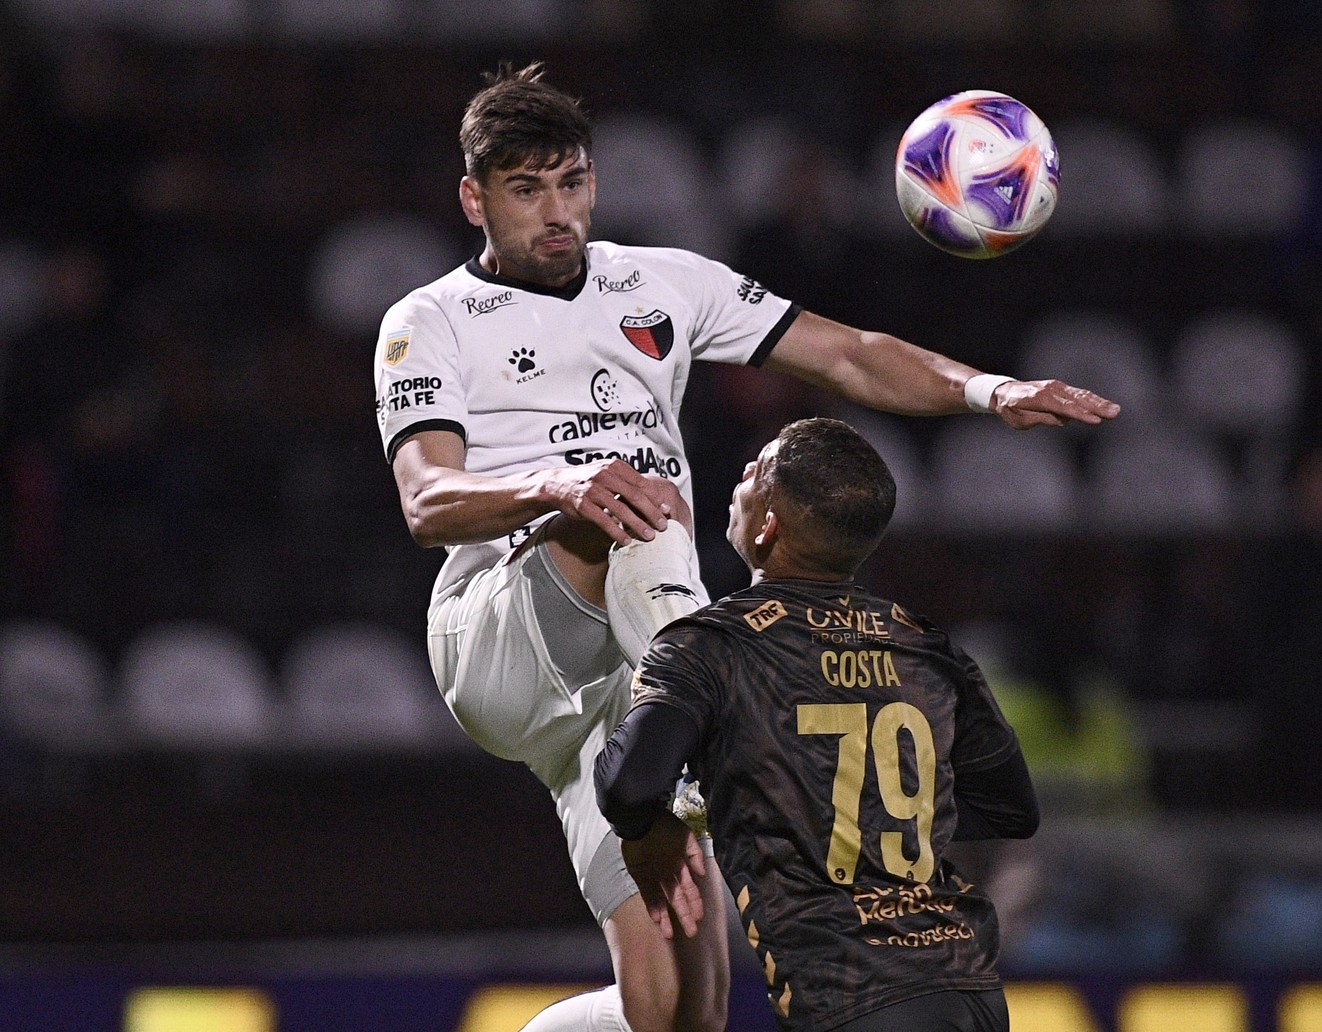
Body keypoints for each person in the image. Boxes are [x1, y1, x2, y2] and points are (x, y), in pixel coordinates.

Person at [374, 62, 1116, 1032]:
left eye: (571, 183)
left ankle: (679, 754)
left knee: (677, 1011)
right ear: (475, 199)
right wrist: (557, 485)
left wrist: (986, 390)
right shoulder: (426, 321)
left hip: (624, 691)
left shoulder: (664, 283)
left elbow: (849, 354)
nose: (556, 212)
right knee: (635, 508)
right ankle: (718, 731)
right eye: (525, 190)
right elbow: (427, 499)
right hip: (501, 636)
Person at [596, 417, 1040, 1032]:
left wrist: (719, 815)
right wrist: (872, 819)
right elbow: (1013, 809)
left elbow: (629, 787)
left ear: (768, 524)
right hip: (969, 987)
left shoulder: (712, 646)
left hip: (851, 996)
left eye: (757, 470)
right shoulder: (929, 648)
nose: (742, 475)